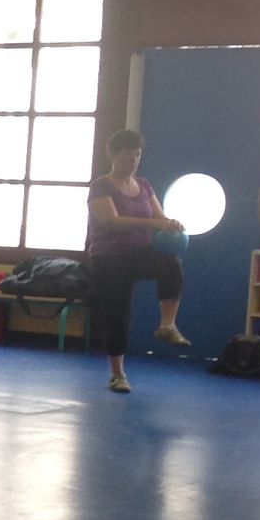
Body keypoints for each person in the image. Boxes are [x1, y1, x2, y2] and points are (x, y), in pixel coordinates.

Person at [87, 128, 188, 393]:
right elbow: (111, 220)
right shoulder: (101, 185)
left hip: (140, 254)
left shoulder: (144, 185)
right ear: (113, 155)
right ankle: (118, 374)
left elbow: (159, 219)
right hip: (108, 258)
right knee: (118, 315)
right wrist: (153, 222)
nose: (133, 161)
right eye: (127, 156)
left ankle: (167, 325)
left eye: (137, 155)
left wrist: (169, 224)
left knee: (170, 263)